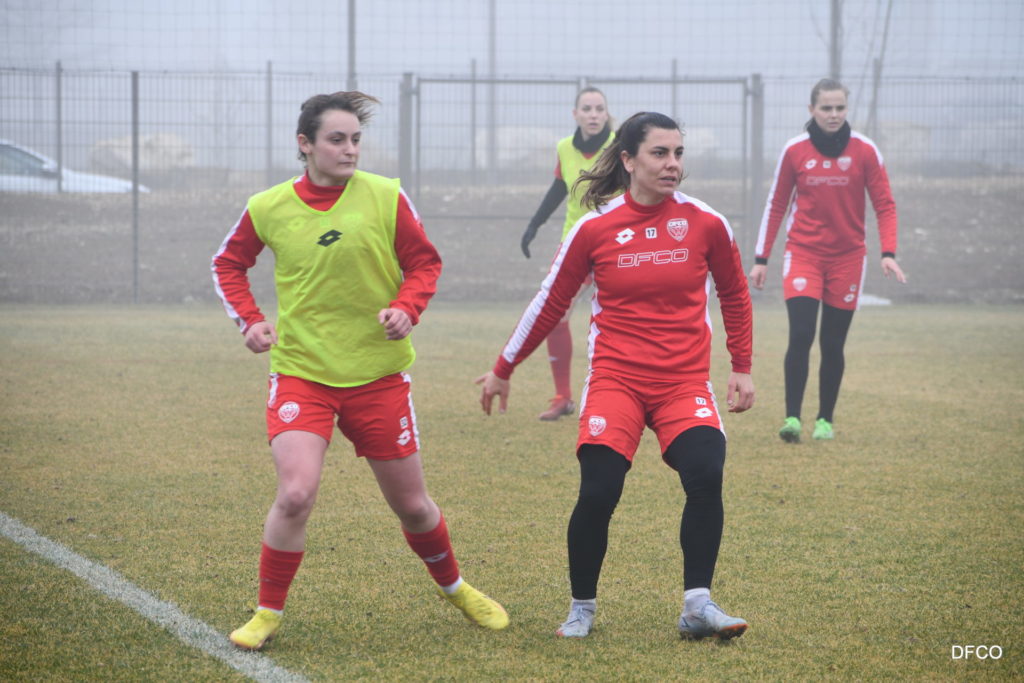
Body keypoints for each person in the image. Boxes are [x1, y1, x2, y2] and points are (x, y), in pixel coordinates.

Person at [212, 91, 508, 651]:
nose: (350, 150)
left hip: (379, 377)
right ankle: (267, 613)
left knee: (414, 507)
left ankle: (456, 588)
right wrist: (247, 320)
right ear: (306, 145)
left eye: (355, 140)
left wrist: (406, 308)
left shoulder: (386, 196)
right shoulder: (267, 206)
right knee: (296, 493)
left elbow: (425, 262)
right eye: (336, 139)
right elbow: (227, 262)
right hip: (303, 372)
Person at [477, 112, 755, 640]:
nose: (672, 164)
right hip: (616, 382)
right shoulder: (595, 227)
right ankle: (582, 607)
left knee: (706, 472)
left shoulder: (706, 223)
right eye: (659, 153)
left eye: (678, 153)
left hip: (684, 383)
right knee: (600, 489)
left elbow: (736, 294)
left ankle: (698, 605)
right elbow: (550, 302)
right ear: (628, 160)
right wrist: (502, 368)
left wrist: (741, 365)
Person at [749, 78, 906, 443]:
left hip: (848, 259)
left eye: (840, 108)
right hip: (802, 254)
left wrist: (888, 253)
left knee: (833, 343)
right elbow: (776, 205)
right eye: (826, 108)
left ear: (846, 110)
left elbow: (885, 204)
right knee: (801, 334)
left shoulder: (865, 151)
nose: (833, 115)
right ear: (811, 110)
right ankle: (792, 418)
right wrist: (762, 258)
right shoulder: (794, 151)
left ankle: (824, 420)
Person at [519, 87, 616, 421]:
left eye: (598, 109)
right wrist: (534, 225)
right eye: (586, 108)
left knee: (618, 319)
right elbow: (559, 189)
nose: (593, 114)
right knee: (554, 316)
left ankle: (615, 392)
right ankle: (562, 397)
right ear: (575, 114)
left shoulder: (621, 146)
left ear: (606, 114)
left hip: (616, 244)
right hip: (575, 244)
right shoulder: (564, 148)